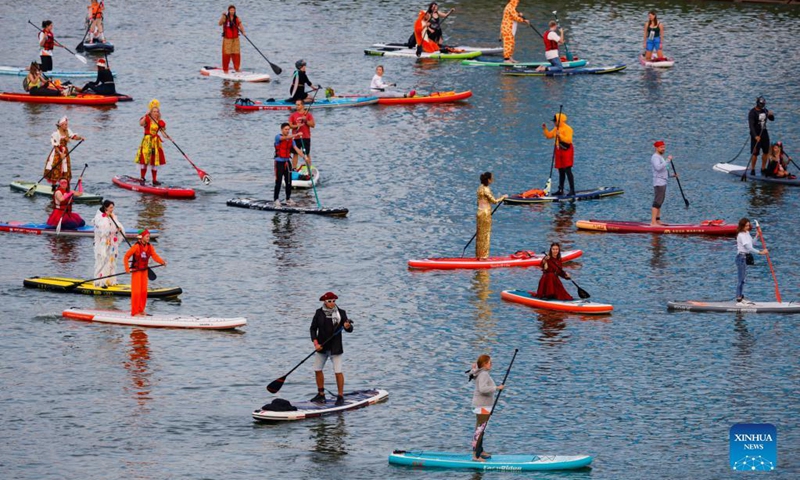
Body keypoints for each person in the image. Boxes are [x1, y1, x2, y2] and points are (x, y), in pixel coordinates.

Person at [309, 292, 353, 406]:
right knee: (317, 369)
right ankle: (321, 394)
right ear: (324, 301)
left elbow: (349, 328)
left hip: (335, 348)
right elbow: (313, 329)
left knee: (338, 372)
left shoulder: (341, 313)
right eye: (329, 301)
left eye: (334, 301)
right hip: (322, 347)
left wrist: (348, 326)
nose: (332, 303)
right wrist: (316, 343)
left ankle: (340, 396)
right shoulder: (318, 313)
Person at [468, 354, 504, 462]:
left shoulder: (482, 373)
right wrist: (496, 388)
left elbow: (473, 374)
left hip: (482, 405)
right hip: (482, 406)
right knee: (480, 430)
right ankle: (476, 456)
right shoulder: (483, 374)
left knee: (480, 429)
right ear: (484, 364)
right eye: (490, 362)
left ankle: (480, 451)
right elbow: (483, 389)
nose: (491, 364)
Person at [123, 230, 166, 316]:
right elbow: (126, 257)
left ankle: (141, 310)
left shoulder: (150, 247)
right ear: (142, 237)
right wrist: (127, 268)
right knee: (136, 292)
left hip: (144, 271)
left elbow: (155, 256)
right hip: (136, 271)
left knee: (143, 292)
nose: (148, 238)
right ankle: (134, 312)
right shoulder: (136, 247)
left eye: (149, 236)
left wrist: (162, 262)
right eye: (147, 236)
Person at [135, 99, 170, 185]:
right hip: (147, 141)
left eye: (157, 111)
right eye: (154, 111)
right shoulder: (147, 119)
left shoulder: (160, 122)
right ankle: (142, 177)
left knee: (154, 160)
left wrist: (167, 137)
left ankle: (154, 180)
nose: (155, 113)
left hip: (156, 142)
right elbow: (141, 123)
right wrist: (146, 114)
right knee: (145, 159)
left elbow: (163, 133)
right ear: (151, 112)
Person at [274, 122, 308, 207]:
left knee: (289, 182)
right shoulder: (278, 137)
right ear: (282, 130)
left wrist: (304, 157)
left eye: (288, 129)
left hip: (287, 162)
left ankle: (288, 198)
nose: (287, 131)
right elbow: (285, 137)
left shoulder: (291, 140)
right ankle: (276, 199)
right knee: (278, 182)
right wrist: (296, 134)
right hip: (279, 163)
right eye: (286, 129)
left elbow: (297, 150)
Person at [44, 117, 84, 187]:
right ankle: (53, 187)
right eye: (65, 125)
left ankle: (63, 186)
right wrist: (60, 154)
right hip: (57, 152)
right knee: (56, 168)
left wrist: (80, 138)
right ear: (61, 125)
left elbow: (74, 137)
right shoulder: (56, 134)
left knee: (65, 169)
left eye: (67, 124)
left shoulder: (67, 131)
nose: (67, 126)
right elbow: (55, 146)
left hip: (65, 152)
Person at [92, 200, 124, 287]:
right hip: (103, 244)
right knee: (102, 261)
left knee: (111, 261)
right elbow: (103, 231)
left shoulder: (112, 216)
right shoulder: (99, 217)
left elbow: (116, 226)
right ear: (106, 208)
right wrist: (106, 218)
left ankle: (110, 280)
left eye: (113, 207)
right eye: (110, 207)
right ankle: (100, 281)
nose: (112, 209)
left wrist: (119, 229)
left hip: (112, 243)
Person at [476, 172, 507, 259]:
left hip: (479, 212)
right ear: (488, 180)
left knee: (480, 235)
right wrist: (503, 197)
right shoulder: (486, 189)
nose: (492, 180)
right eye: (491, 178)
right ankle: (484, 256)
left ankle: (479, 255)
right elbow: (494, 201)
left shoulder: (479, 188)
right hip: (485, 214)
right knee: (486, 234)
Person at [735, 218, 767, 304]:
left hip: (745, 257)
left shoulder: (747, 233)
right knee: (741, 279)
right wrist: (760, 252)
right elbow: (748, 248)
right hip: (741, 258)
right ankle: (738, 299)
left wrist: (757, 235)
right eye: (746, 226)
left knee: (743, 279)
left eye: (748, 225)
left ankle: (741, 297)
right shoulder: (741, 235)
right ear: (742, 226)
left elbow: (752, 244)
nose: (748, 227)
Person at [542, 113, 575, 196]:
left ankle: (572, 190)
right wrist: (545, 129)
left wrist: (560, 135)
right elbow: (549, 136)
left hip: (566, 150)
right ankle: (560, 189)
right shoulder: (556, 128)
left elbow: (569, 140)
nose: (554, 123)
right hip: (558, 150)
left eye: (555, 121)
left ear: (559, 121)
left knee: (567, 169)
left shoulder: (568, 129)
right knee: (560, 170)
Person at [747, 97, 775, 176]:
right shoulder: (752, 113)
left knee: (766, 152)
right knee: (755, 153)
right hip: (756, 134)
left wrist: (771, 115)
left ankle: (763, 168)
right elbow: (751, 126)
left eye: (763, 104)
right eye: (761, 104)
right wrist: (755, 136)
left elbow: (772, 119)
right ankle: (753, 169)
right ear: (757, 104)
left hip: (764, 133)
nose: (762, 106)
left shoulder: (765, 111)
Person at [650, 140, 676, 226]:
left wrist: (672, 175)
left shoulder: (661, 157)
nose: (663, 149)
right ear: (656, 148)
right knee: (657, 202)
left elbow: (664, 170)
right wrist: (668, 160)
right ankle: (653, 222)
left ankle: (658, 220)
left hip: (663, 181)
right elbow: (658, 168)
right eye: (661, 147)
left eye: (664, 147)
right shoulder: (655, 157)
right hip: (658, 182)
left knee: (660, 202)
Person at [288, 100, 316, 171]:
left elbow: (313, 125)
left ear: (303, 105)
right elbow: (290, 126)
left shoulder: (308, 115)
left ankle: (309, 168)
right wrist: (297, 125)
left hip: (306, 137)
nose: (297, 106)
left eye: (298, 105)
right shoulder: (293, 115)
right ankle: (294, 168)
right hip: (296, 137)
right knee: (295, 153)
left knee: (307, 153)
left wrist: (306, 120)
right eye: (296, 105)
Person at [219, 5, 244, 73]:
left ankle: (236, 68)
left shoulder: (237, 18)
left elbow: (241, 25)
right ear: (229, 11)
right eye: (231, 10)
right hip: (227, 39)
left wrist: (243, 32)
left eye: (233, 10)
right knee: (226, 54)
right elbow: (220, 23)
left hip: (235, 39)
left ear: (235, 11)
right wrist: (222, 16)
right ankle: (225, 69)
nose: (232, 11)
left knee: (236, 54)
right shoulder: (225, 17)